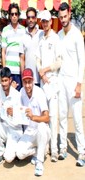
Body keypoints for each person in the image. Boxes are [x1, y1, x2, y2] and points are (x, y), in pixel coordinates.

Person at [57, 2, 85, 166]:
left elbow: (82, 61)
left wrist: (79, 83)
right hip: (61, 81)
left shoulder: (76, 35)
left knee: (76, 119)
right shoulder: (59, 34)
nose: (63, 20)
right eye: (60, 17)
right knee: (61, 117)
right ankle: (62, 149)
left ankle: (81, 152)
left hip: (74, 82)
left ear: (70, 14)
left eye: (65, 16)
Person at [35, 10, 62, 162]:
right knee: (44, 116)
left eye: (46, 21)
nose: (44, 24)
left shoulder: (55, 38)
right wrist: (41, 72)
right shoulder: (40, 37)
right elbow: (37, 59)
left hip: (53, 81)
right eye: (42, 21)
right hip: (43, 81)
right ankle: (44, 148)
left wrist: (45, 70)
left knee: (53, 117)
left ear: (51, 21)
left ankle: (55, 150)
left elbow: (59, 62)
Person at [16, 68, 50, 176]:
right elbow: (18, 111)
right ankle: (39, 150)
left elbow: (47, 118)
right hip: (29, 131)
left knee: (41, 127)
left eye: (29, 82)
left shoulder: (39, 92)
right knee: (19, 154)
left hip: (41, 131)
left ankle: (39, 162)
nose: (27, 85)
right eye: (25, 82)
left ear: (33, 81)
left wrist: (33, 117)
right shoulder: (21, 92)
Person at [0, 67, 23, 164]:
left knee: (9, 159)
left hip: (15, 131)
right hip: (5, 127)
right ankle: (1, 153)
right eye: (2, 81)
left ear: (10, 80)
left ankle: (14, 150)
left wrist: (14, 113)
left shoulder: (17, 95)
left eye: (6, 81)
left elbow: (23, 117)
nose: (4, 83)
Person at [1, 3, 25, 90]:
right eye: (12, 14)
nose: (14, 16)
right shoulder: (5, 30)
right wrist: (5, 71)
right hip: (9, 71)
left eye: (16, 14)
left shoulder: (23, 30)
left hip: (19, 71)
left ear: (18, 15)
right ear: (9, 16)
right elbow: (3, 52)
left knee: (18, 98)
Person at [19, 7, 42, 87]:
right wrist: (23, 78)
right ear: (26, 19)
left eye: (32, 17)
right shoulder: (23, 36)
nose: (30, 20)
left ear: (36, 19)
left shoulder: (42, 34)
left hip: (40, 78)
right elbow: (22, 59)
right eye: (28, 18)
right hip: (28, 79)